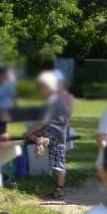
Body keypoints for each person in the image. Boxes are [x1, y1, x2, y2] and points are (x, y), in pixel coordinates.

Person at [26, 71, 69, 200]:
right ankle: (59, 189)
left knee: (28, 133)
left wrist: (30, 132)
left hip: (50, 133)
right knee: (58, 162)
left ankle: (39, 139)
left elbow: (42, 122)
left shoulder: (51, 101)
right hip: (60, 135)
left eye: (41, 89)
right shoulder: (59, 100)